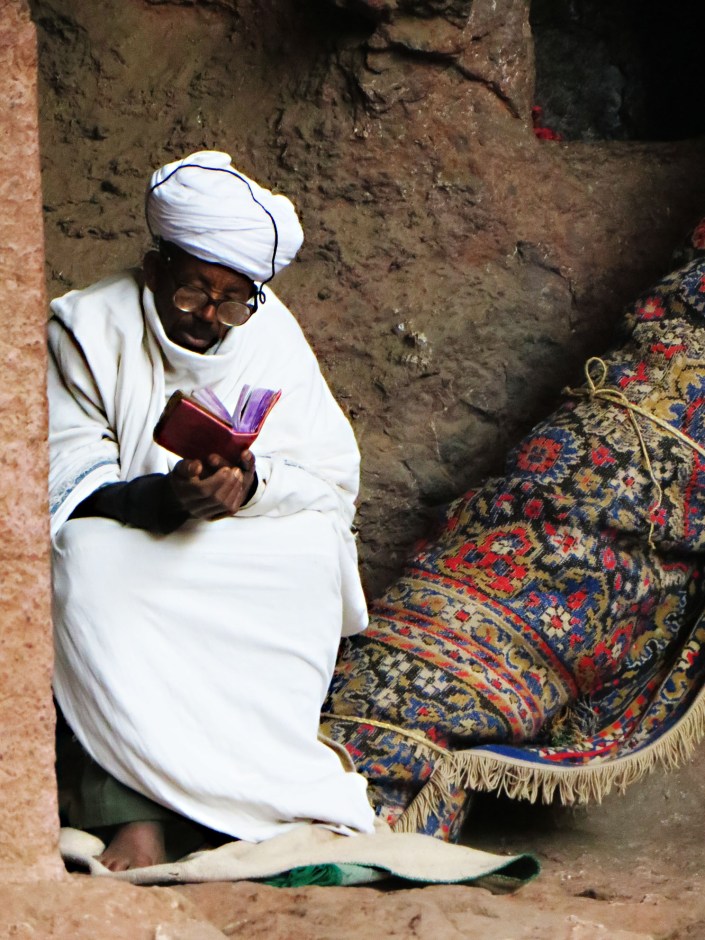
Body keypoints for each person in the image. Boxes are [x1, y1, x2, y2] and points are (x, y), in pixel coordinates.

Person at [49, 151, 376, 871]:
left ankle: (253, 804)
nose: (210, 317)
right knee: (83, 563)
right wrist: (170, 498)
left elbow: (328, 478)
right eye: (194, 290)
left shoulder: (270, 332)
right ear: (155, 267)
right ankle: (129, 812)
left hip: (237, 542)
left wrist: (249, 485)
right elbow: (63, 484)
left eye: (233, 300)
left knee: (314, 555)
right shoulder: (84, 326)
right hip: (132, 534)